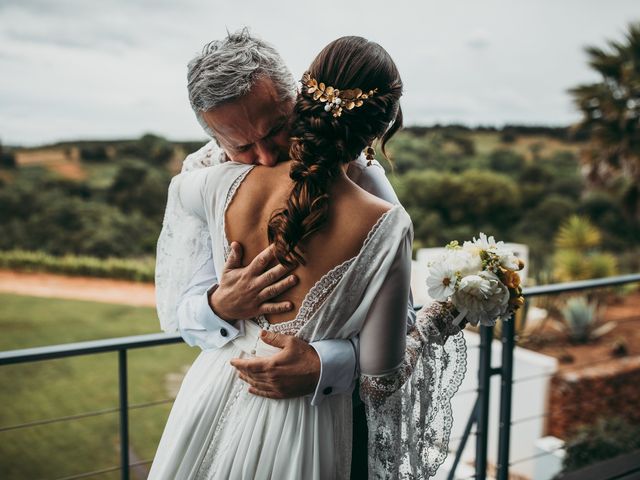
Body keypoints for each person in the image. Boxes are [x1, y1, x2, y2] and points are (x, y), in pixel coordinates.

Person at [150, 35, 466, 479]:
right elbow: (180, 315)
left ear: (297, 98)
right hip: (217, 398)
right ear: (213, 135)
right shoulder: (205, 175)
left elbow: (400, 319)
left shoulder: (370, 188)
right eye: (240, 146)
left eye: (275, 128)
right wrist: (218, 305)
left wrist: (325, 362)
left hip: (323, 412)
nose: (263, 156)